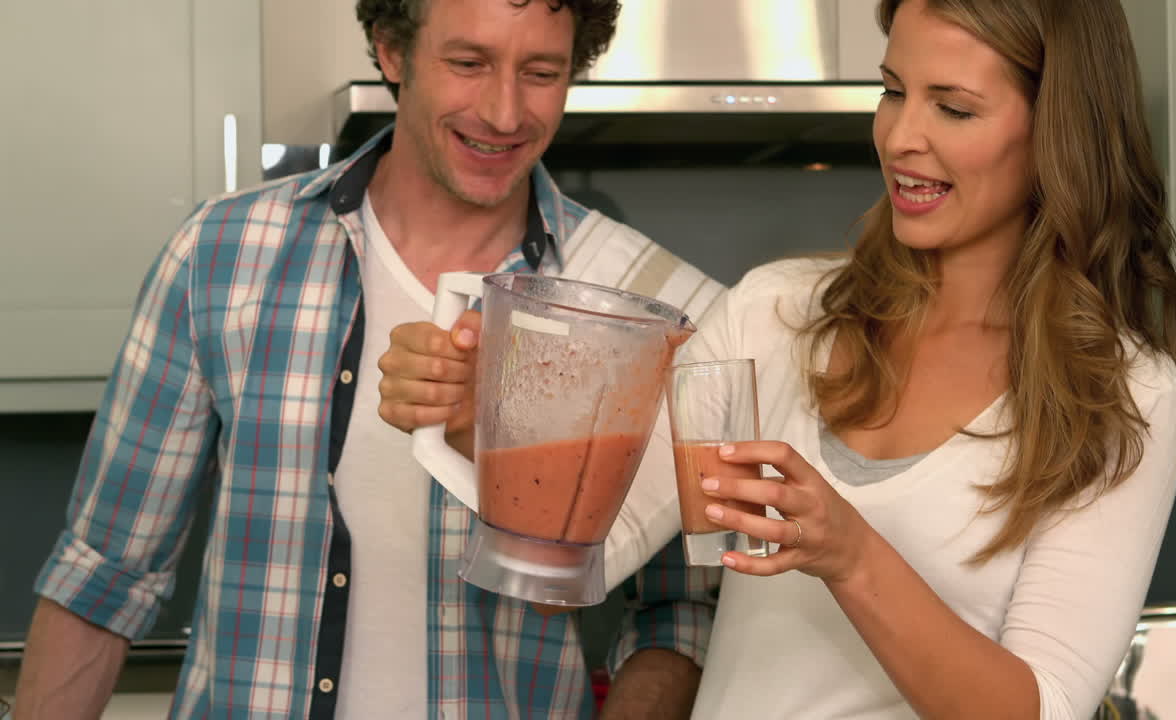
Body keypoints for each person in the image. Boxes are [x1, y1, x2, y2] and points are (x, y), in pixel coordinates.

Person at [377, 0, 1176, 717]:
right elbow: (584, 555)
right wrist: (473, 422)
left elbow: (1042, 709)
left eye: (954, 108)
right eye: (894, 90)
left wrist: (853, 553)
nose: (902, 137)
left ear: (1056, 129)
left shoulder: (1127, 394)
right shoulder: (779, 314)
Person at [12, 1, 724, 718]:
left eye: (541, 72)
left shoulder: (626, 302)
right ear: (391, 51)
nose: (506, 113)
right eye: (468, 63)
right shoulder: (221, 257)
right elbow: (105, 573)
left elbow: (678, 612)